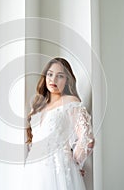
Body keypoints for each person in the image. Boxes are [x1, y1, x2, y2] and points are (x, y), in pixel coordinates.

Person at [23, 57, 95, 190]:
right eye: (50, 74)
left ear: (67, 80)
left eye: (60, 76)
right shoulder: (38, 106)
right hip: (33, 171)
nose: (53, 80)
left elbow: (87, 138)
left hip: (58, 169)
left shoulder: (70, 102)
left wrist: (75, 163)